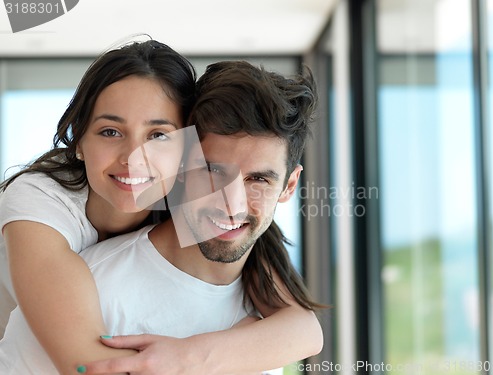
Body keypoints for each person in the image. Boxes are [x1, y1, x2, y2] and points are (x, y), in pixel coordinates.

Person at [0, 41, 323, 374]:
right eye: (110, 131)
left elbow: (306, 330)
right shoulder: (40, 204)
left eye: (158, 136)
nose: (134, 159)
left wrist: (200, 355)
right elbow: (86, 365)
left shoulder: (181, 197)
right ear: (78, 140)